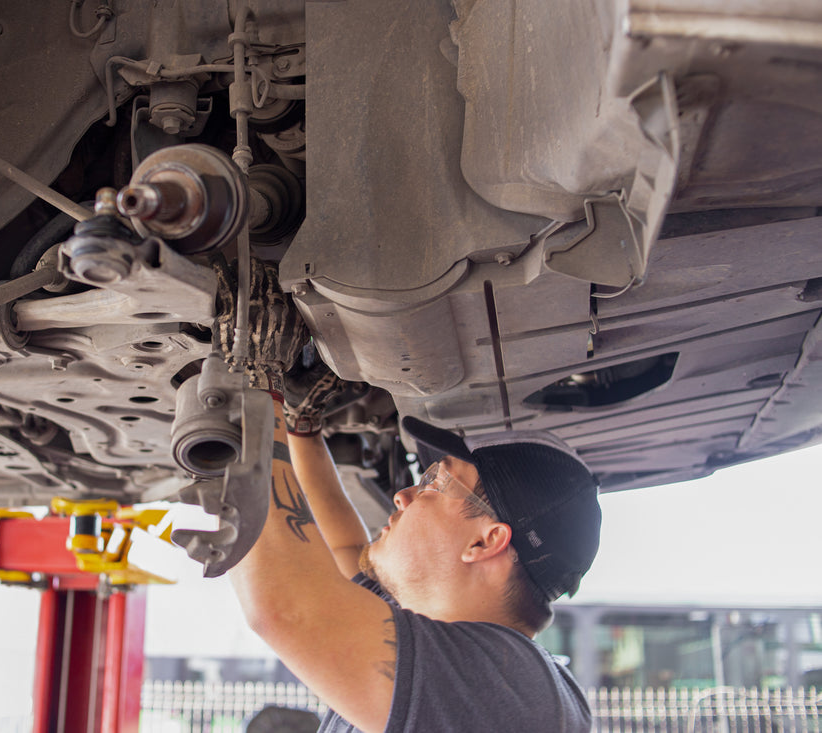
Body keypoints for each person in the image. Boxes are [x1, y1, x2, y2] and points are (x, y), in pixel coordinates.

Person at [216, 260, 602, 731]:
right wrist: (299, 426)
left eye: (435, 483)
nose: (403, 495)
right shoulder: (483, 669)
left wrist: (255, 382)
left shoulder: (514, 690)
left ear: (486, 541)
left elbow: (286, 608)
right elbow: (344, 555)